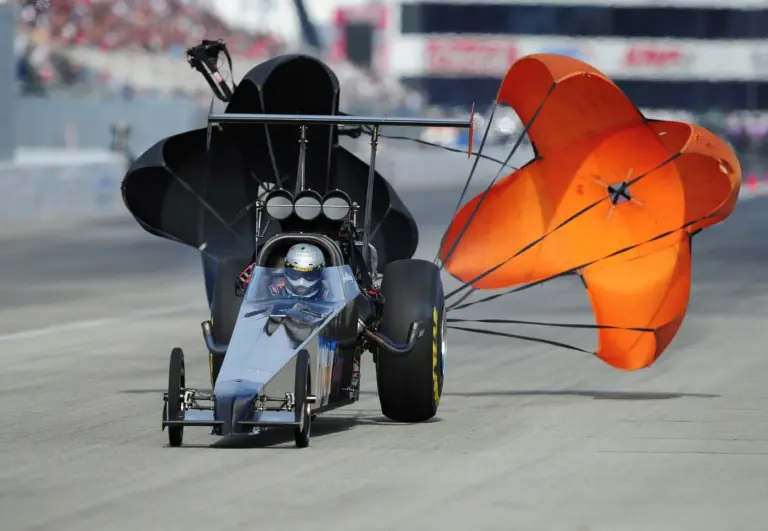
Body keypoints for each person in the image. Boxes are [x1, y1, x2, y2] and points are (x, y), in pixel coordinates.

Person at [236, 243, 330, 300]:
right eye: (296, 273)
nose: (302, 281)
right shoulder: (270, 292)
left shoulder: (330, 294)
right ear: (285, 269)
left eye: (309, 275)